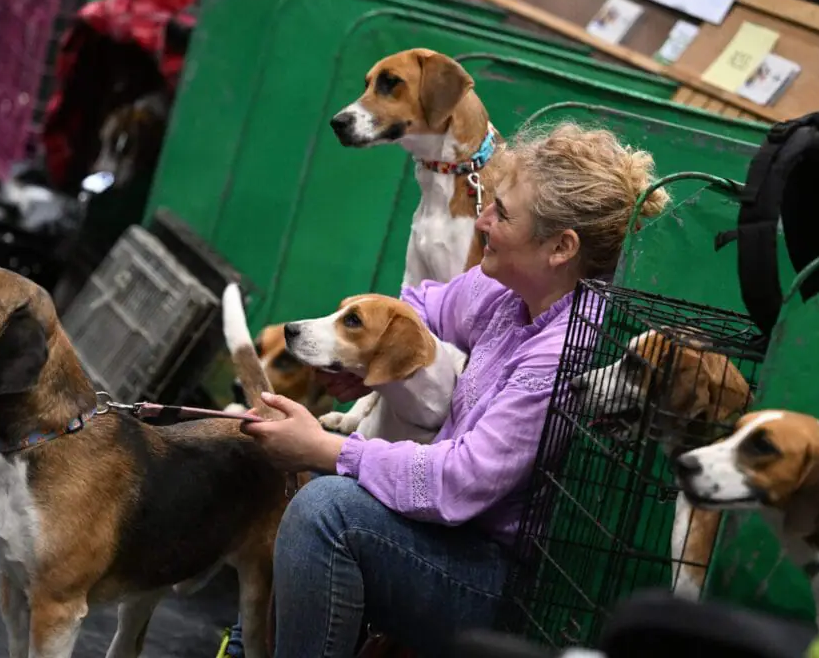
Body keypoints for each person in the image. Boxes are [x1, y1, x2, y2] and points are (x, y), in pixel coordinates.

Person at [235, 123, 670, 657]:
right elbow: (420, 306)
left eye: (503, 214)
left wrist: (329, 449)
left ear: (561, 247)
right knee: (304, 490)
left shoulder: (562, 352)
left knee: (327, 510)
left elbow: (459, 483)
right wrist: (369, 358)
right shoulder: (503, 290)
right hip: (448, 540)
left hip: (494, 580)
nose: (482, 220)